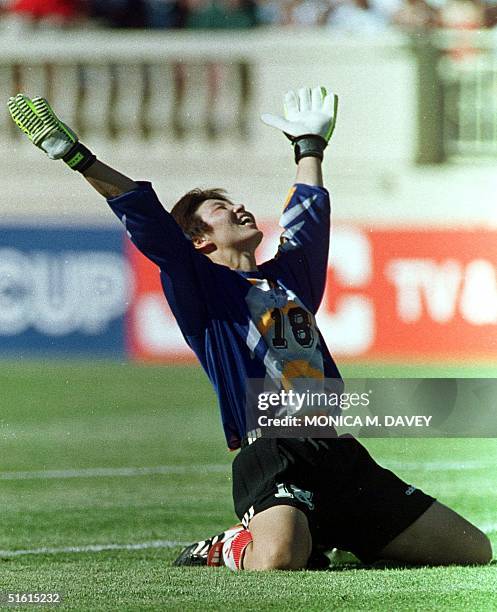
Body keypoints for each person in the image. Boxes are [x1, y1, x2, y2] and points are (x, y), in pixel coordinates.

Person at [8, 88, 492, 571]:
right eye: (220, 210)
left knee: (472, 551)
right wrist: (77, 157)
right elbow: (146, 216)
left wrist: (309, 147)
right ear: (199, 241)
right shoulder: (204, 291)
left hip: (338, 450)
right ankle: (231, 545)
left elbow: (309, 218)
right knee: (279, 559)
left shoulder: (287, 279)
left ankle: (331, 533)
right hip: (271, 448)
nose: (239, 209)